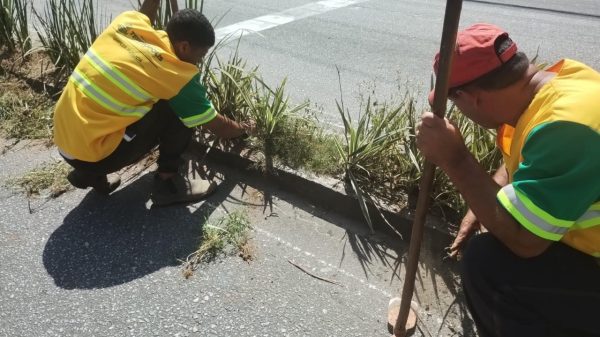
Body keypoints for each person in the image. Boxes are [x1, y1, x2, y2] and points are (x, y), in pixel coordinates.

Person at [417, 23, 600, 337]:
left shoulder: (564, 127)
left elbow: (525, 241)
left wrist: (456, 160)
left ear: (472, 98)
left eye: (454, 101)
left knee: (485, 264)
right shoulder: (565, 80)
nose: (457, 110)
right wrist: (484, 203)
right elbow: (525, 154)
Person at [53, 0, 251, 206]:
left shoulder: (127, 24)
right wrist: (245, 129)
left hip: (65, 139)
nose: (200, 60)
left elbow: (146, 13)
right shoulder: (174, 75)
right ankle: (168, 183)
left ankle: (87, 174)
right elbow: (217, 125)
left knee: (125, 105)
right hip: (93, 155)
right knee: (176, 110)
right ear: (184, 46)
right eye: (200, 55)